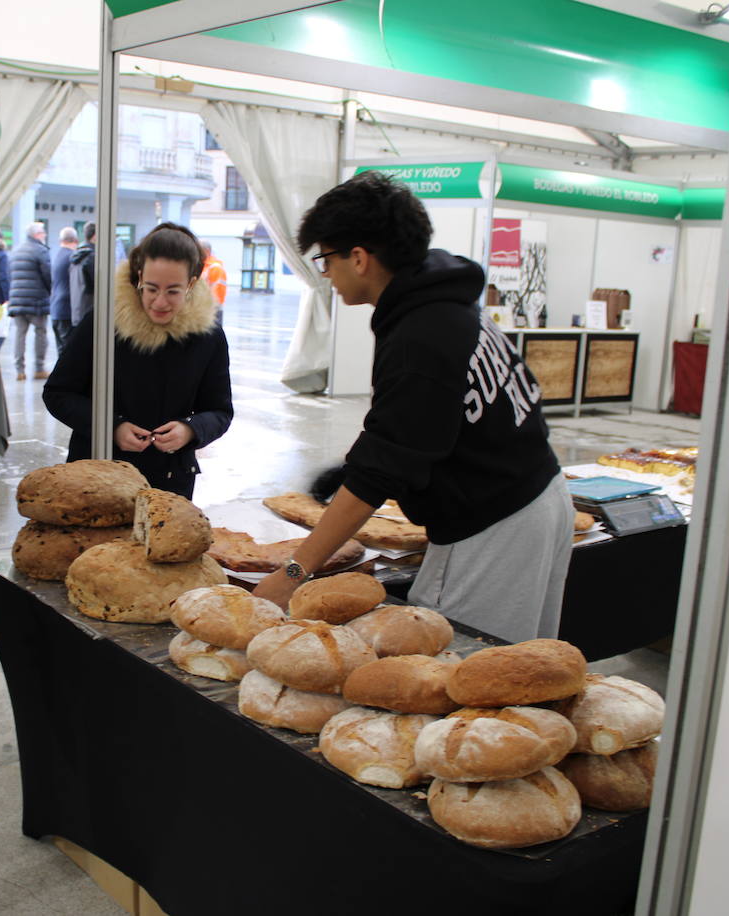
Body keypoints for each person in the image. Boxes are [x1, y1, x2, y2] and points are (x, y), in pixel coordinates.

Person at [252, 172, 570, 644]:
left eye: (326, 259)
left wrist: (293, 572)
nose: (327, 274)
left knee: (458, 666)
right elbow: (432, 422)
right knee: (517, 660)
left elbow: (377, 475)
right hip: (537, 499)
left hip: (493, 525)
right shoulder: (445, 304)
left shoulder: (420, 334)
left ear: (358, 258)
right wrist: (355, 466)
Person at [43, 222, 232, 500]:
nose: (159, 302)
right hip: (98, 474)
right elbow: (58, 393)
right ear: (139, 276)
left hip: (169, 482)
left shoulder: (208, 335)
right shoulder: (103, 323)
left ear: (191, 284)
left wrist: (190, 430)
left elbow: (219, 411)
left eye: (173, 291)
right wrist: (112, 426)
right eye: (151, 288)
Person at [7, 221, 51, 380]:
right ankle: (39, 368)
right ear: (37, 235)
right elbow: (47, 275)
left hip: (17, 300)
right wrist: (50, 292)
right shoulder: (40, 250)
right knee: (40, 332)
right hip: (36, 301)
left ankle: (20, 370)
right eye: (43, 233)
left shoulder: (16, 250)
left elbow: (8, 275)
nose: (44, 235)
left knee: (20, 335)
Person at [49, 226, 79, 352]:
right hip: (66, 310)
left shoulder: (58, 255)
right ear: (75, 240)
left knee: (61, 351)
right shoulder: (72, 257)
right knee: (68, 352)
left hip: (56, 308)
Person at [69, 220, 96, 326]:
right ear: (95, 236)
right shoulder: (92, 257)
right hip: (89, 314)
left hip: (77, 312)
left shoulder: (77, 256)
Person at [199, 239, 228, 326]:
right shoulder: (202, 266)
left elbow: (218, 292)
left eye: (198, 250)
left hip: (211, 310)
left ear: (206, 251)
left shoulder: (215, 268)